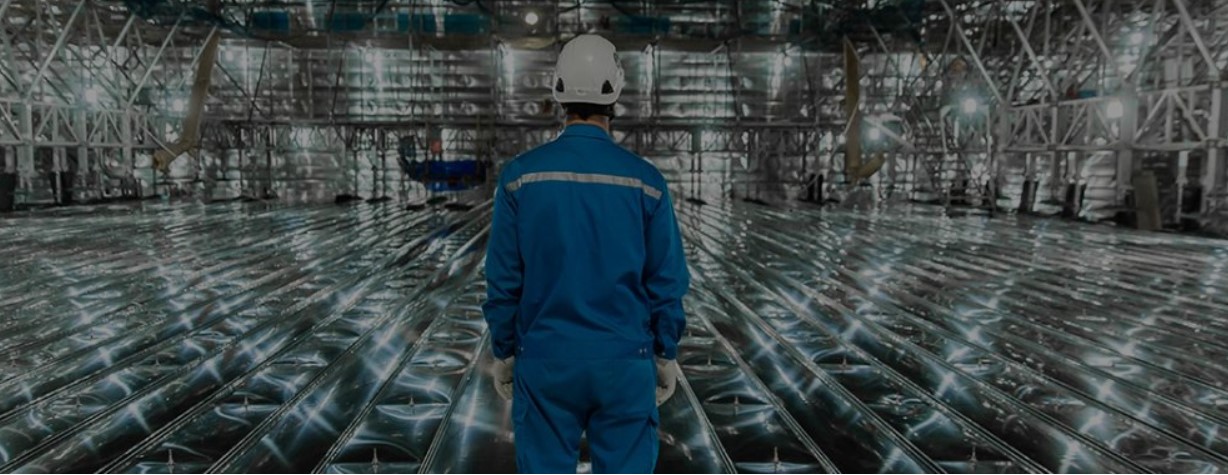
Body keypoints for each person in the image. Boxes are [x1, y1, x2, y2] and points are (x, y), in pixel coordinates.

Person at [481, 34, 690, 474]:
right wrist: (665, 351)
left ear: (558, 91)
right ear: (616, 92)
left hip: (544, 361)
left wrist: (504, 349)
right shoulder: (646, 181)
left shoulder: (520, 177)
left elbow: (503, 279)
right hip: (625, 363)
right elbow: (666, 280)